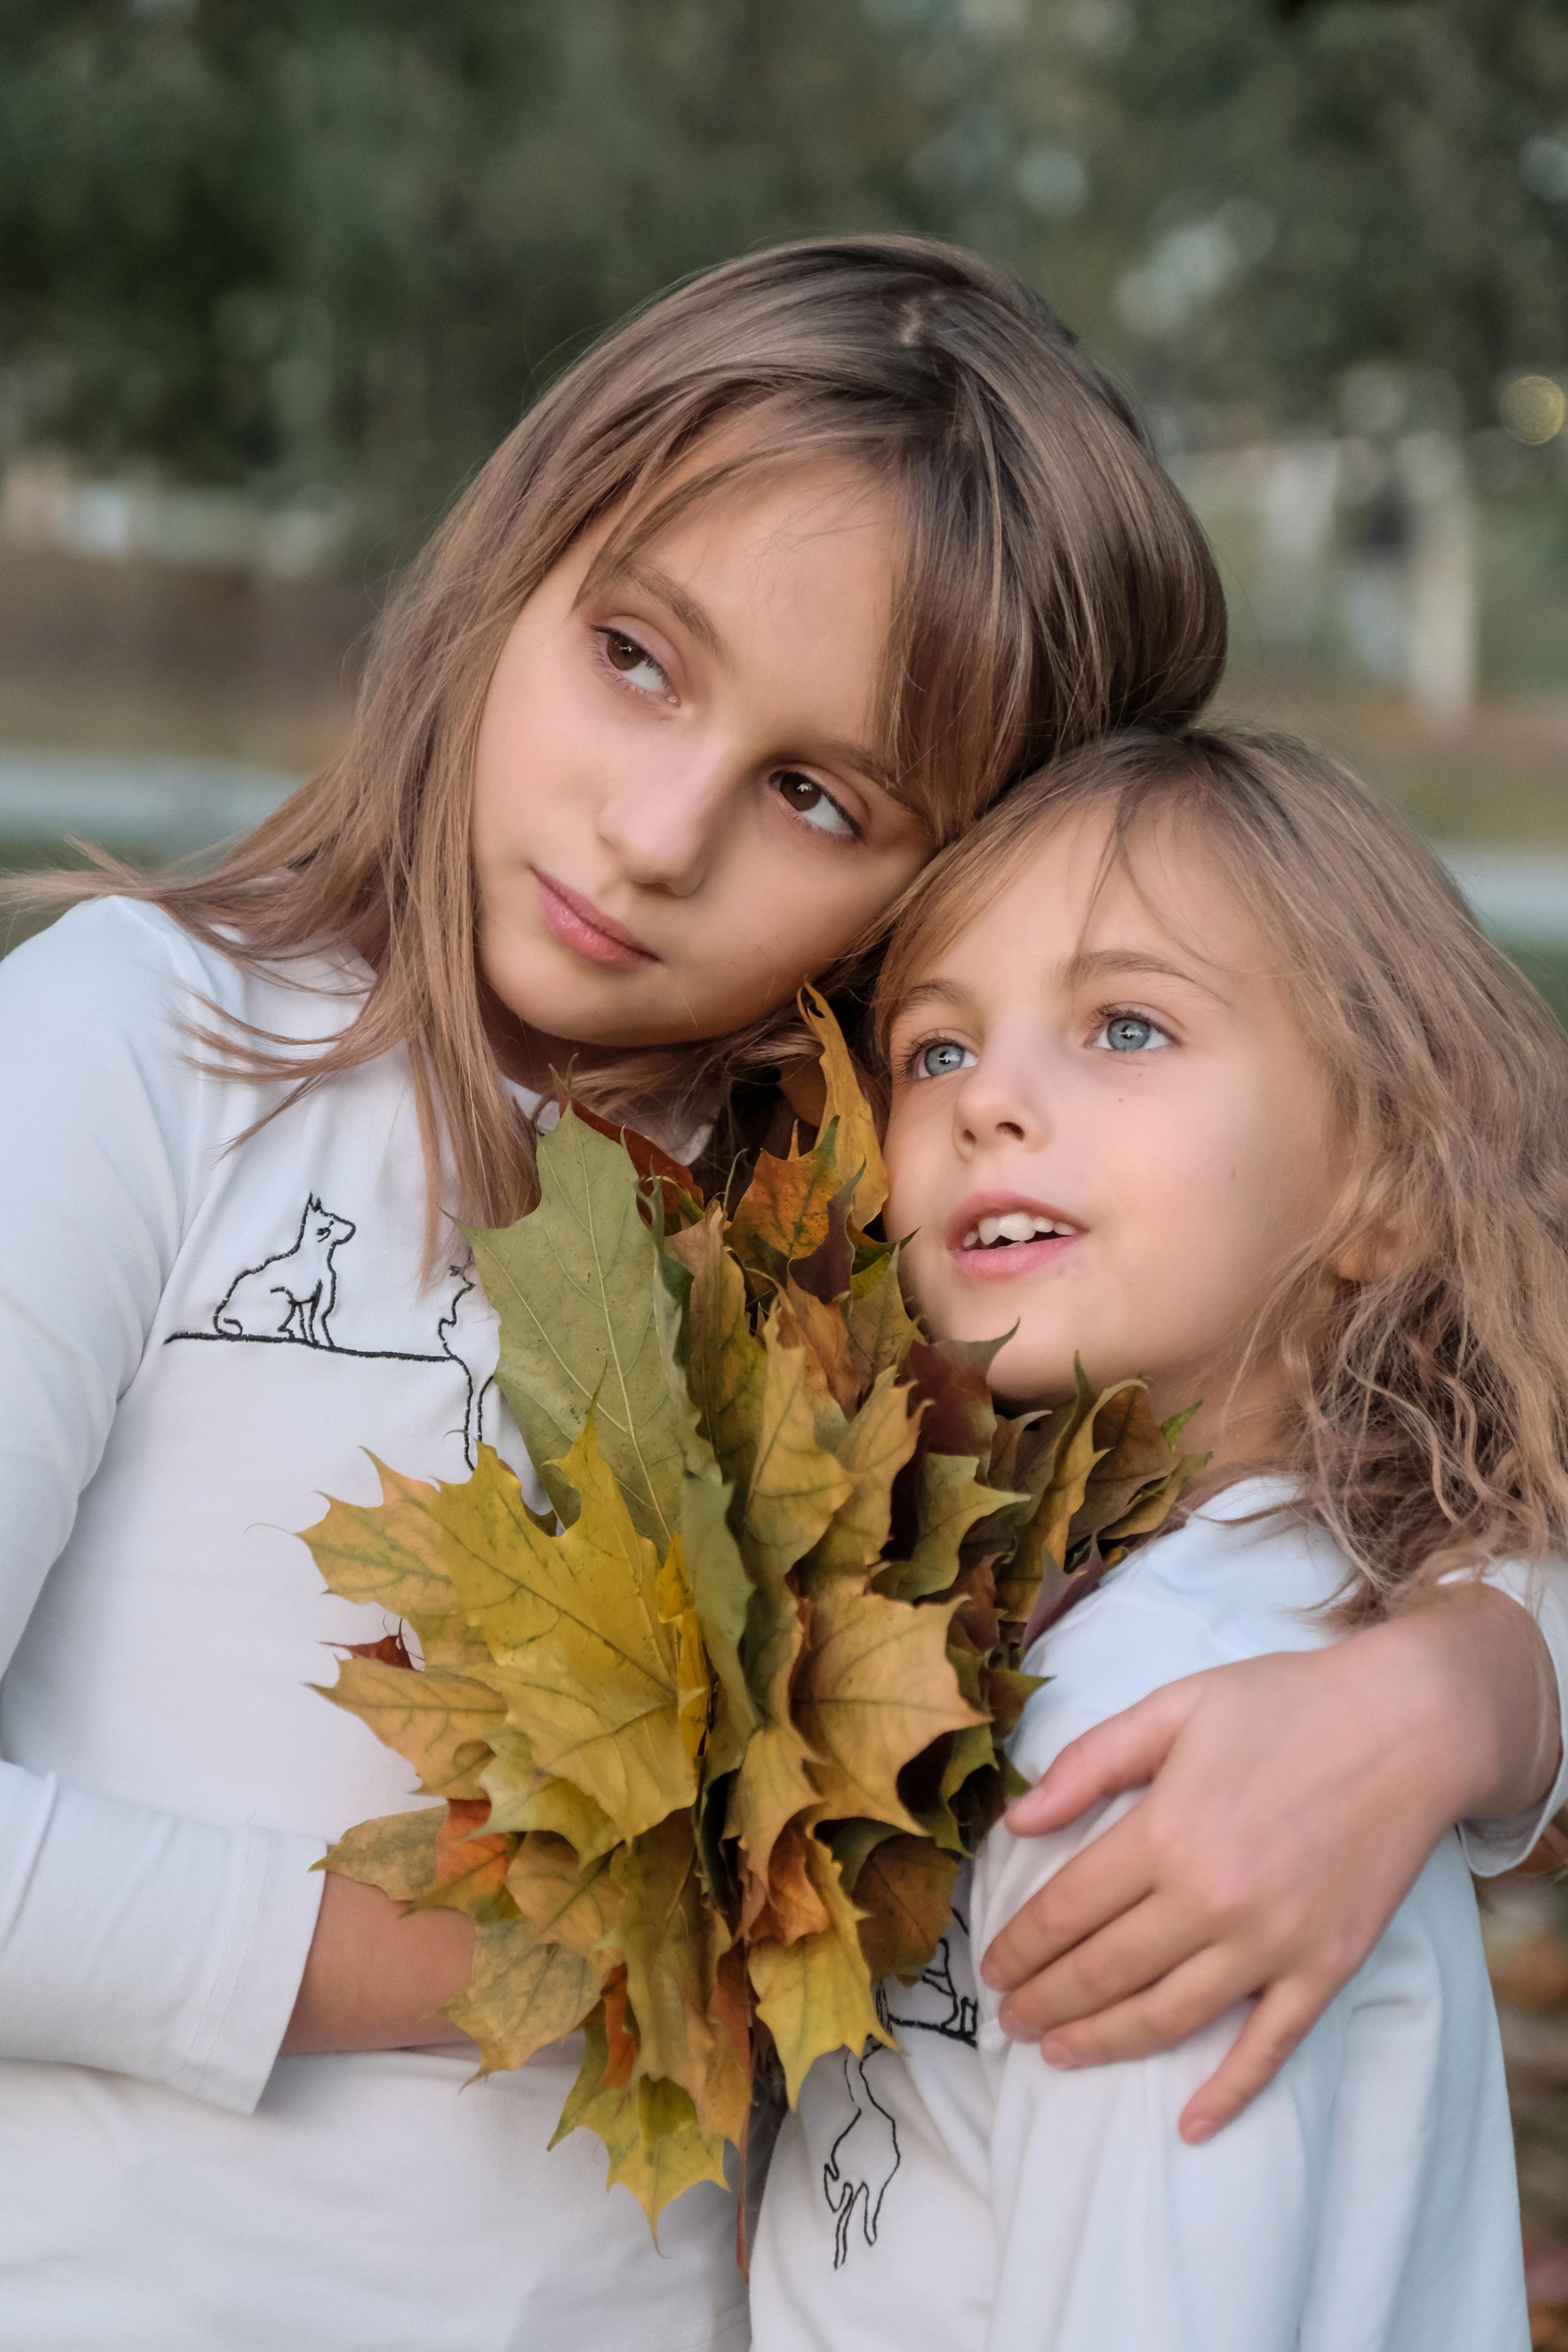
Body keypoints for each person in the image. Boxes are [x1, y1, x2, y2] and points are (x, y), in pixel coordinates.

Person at [0, 236, 1553, 2343]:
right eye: (637, 655)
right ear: (520, 559)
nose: (651, 835)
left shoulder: (910, 1247)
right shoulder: (150, 1050)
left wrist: (1456, 1695)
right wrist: (527, 1961)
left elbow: (1447, 1383)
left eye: (818, 795)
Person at [752, 725, 1548, 2351]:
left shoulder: (1170, 1749)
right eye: (938, 1050)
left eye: (1127, 1027)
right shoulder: (1100, 1616)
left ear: (1385, 1180)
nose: (992, 1108)